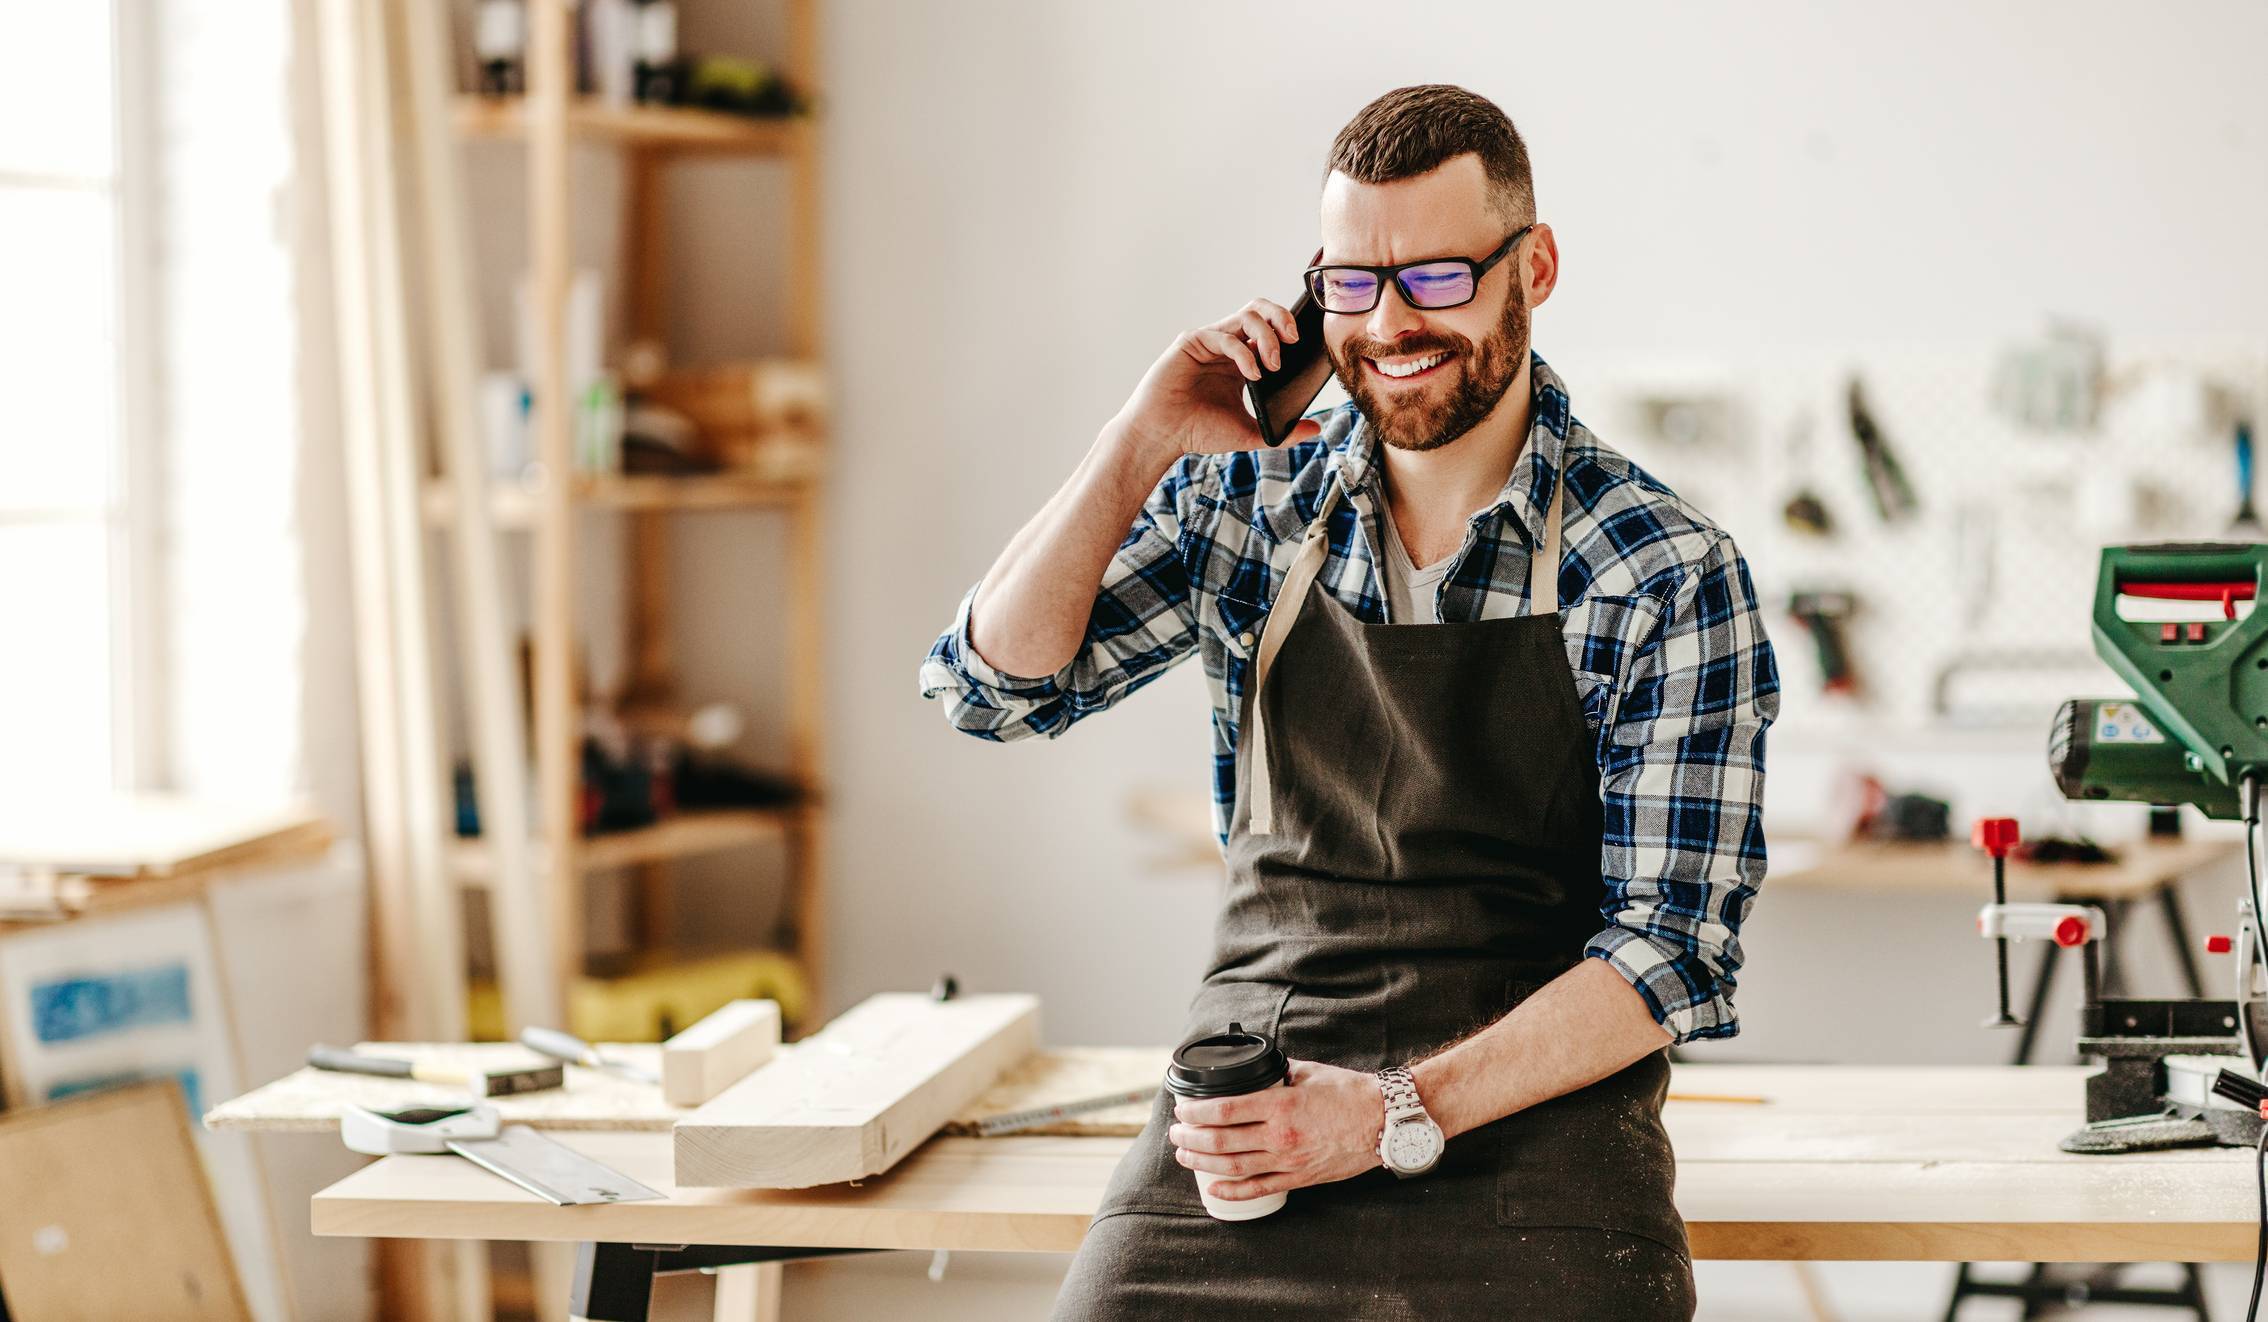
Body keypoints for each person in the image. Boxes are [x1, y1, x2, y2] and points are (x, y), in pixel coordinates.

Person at [919, 83, 1778, 1319]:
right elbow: (989, 687)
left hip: (1536, 1127)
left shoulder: (1661, 567)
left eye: (1435, 278)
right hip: (1250, 1123)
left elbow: (1671, 953)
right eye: (1350, 283)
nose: (1388, 324)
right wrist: (1141, 438)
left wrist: (1385, 1113)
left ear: (1532, 266)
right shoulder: (1249, 503)